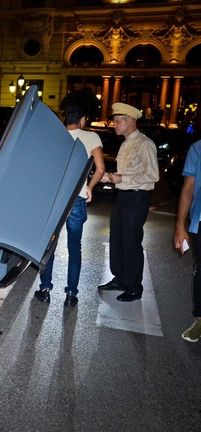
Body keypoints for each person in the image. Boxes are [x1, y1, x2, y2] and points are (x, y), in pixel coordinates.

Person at [33, 105, 106, 307]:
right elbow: (100, 169)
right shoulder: (91, 137)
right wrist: (89, 187)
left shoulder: (54, 136)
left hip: (54, 199)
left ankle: (45, 289)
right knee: (75, 249)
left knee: (49, 246)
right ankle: (71, 294)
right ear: (82, 119)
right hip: (77, 198)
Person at [98, 102, 159, 302]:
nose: (113, 124)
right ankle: (121, 278)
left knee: (131, 242)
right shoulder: (125, 143)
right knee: (117, 239)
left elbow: (152, 175)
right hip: (123, 196)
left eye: (117, 121)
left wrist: (120, 178)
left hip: (137, 197)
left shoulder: (145, 143)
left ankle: (134, 286)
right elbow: (128, 172)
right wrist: (112, 177)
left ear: (130, 120)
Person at [174, 139, 201, 342]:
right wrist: (180, 226)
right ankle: (200, 321)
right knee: (200, 272)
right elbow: (188, 188)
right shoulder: (197, 148)